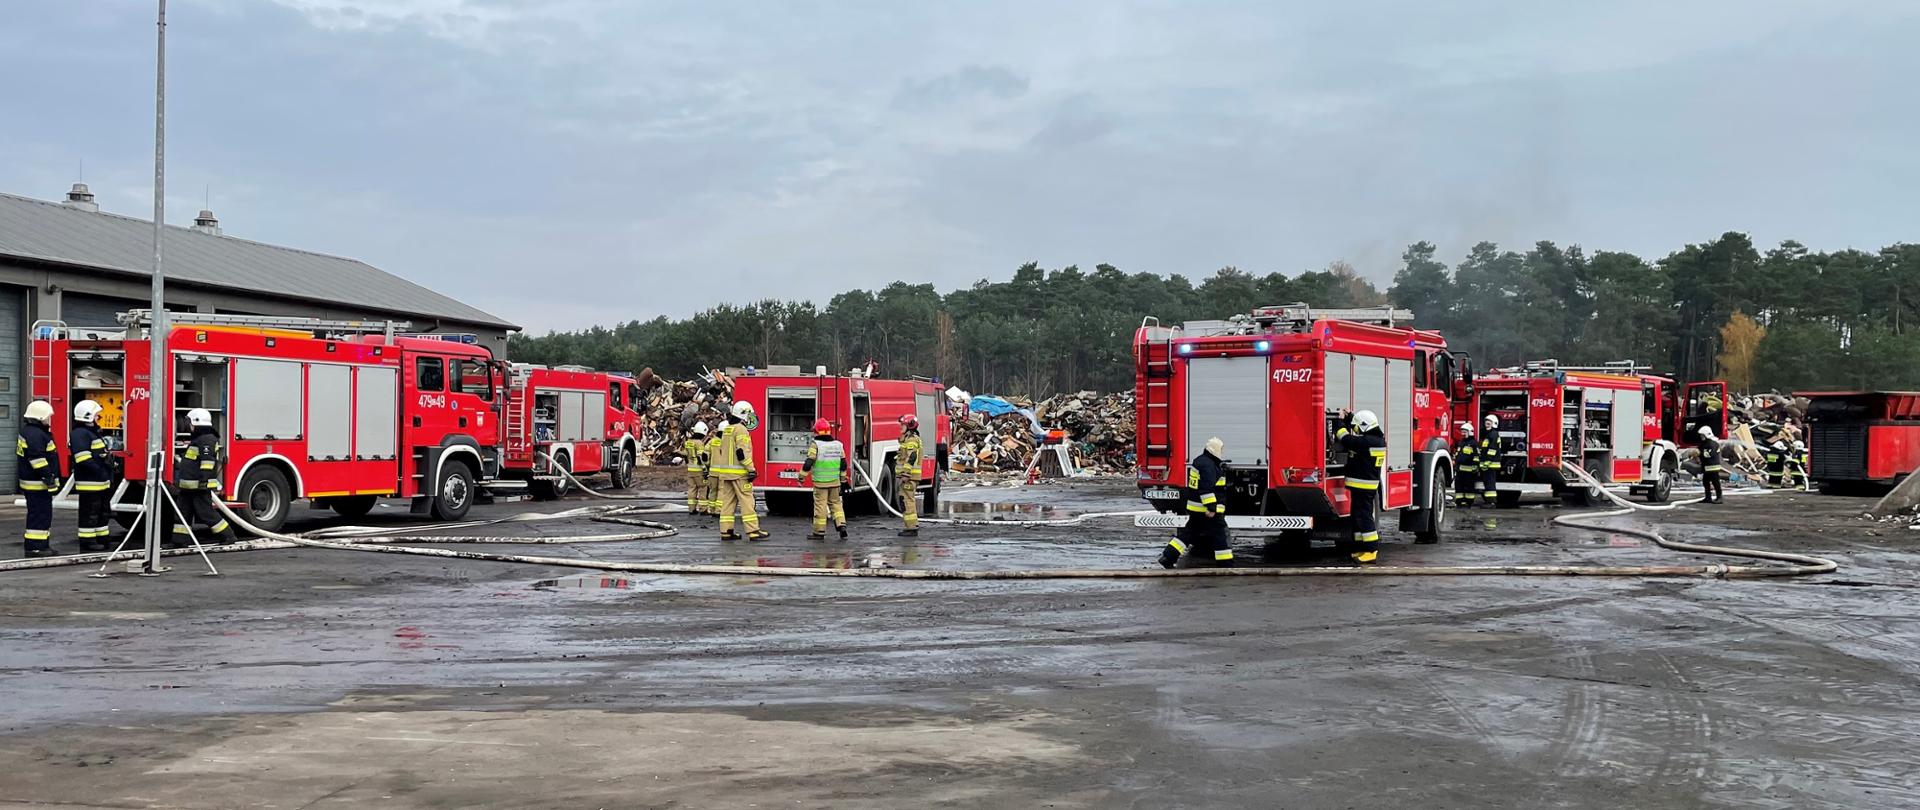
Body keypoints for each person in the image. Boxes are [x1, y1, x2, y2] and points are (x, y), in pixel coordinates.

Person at [1159, 437, 1231, 568]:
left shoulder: (1200, 461)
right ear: (1215, 449)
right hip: (1205, 510)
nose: (1222, 451)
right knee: (1220, 535)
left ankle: (1168, 557)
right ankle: (1225, 564)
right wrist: (1211, 508)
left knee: (1188, 534)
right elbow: (1206, 489)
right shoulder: (1208, 465)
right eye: (1220, 449)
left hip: (1195, 508)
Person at [173, 407, 238, 547]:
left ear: (196, 422)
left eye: (189, 422)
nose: (188, 425)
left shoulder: (206, 439)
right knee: (182, 513)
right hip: (188, 487)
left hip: (199, 486)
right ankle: (180, 540)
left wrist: (204, 480)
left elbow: (207, 462)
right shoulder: (199, 439)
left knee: (205, 513)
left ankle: (227, 536)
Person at [1336, 409, 1388, 563]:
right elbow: (1358, 432)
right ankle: (1360, 547)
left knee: (1364, 517)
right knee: (1358, 517)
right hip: (1365, 486)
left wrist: (1339, 421)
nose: (1356, 430)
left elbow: (1344, 438)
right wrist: (1352, 417)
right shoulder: (1376, 440)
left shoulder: (1366, 442)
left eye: (1358, 427)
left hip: (1363, 487)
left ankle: (1371, 550)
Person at [712, 401, 768, 541]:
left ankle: (726, 531)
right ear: (745, 414)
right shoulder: (741, 430)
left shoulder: (727, 429)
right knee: (747, 501)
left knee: (728, 503)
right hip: (739, 474)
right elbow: (742, 452)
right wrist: (751, 469)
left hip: (726, 474)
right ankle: (753, 531)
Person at [70, 400, 115, 552]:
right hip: (90, 482)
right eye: (96, 415)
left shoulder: (91, 432)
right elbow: (83, 459)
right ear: (88, 416)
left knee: (102, 512)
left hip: (100, 482)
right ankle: (88, 541)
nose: (98, 418)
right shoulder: (80, 434)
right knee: (89, 513)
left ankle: (101, 537)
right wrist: (100, 469)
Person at [17, 399, 60, 558]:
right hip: (37, 484)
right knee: (40, 515)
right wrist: (48, 478)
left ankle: (40, 545)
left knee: (39, 514)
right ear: (40, 417)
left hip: (33, 483)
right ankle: (36, 547)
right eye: (47, 417)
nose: (48, 419)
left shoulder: (29, 431)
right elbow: (37, 459)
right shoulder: (36, 434)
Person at [802, 418, 849, 541]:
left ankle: (819, 531)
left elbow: (809, 462)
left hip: (820, 483)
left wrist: (801, 477)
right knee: (836, 504)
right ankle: (841, 525)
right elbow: (843, 464)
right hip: (835, 482)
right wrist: (843, 480)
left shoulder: (815, 445)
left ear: (816, 431)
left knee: (820, 506)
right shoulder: (838, 445)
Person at [896, 415, 924, 537]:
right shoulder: (908, 439)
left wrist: (906, 474)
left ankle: (911, 528)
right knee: (906, 500)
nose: (901, 427)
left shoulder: (912, 440)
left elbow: (911, 457)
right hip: (910, 476)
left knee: (908, 501)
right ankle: (910, 526)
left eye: (903, 425)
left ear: (909, 426)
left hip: (910, 476)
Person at [683, 421, 709, 514]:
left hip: (690, 469)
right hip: (698, 470)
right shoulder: (699, 443)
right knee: (703, 489)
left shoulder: (688, 442)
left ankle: (691, 509)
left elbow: (685, 455)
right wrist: (704, 469)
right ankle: (703, 509)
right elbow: (700, 457)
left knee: (692, 489)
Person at [1452, 422, 1479, 508]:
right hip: (1460, 470)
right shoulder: (1461, 442)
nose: (1463, 434)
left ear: (1470, 432)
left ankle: (1469, 502)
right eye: (1462, 432)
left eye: (1465, 432)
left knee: (1469, 488)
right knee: (1459, 487)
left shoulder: (1473, 443)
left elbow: (1476, 456)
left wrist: (1475, 467)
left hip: (1469, 471)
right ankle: (1459, 501)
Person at [1697, 425, 1724, 504]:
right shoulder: (1704, 443)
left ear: (1706, 434)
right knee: (1705, 482)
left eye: (1702, 435)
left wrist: (1699, 453)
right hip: (1707, 467)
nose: (1701, 437)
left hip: (1713, 467)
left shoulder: (1712, 444)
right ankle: (1708, 497)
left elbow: (1708, 454)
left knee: (1715, 482)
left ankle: (1719, 497)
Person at [703, 416, 724, 517]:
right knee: (721, 492)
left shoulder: (712, 442)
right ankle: (718, 511)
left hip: (712, 472)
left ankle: (711, 509)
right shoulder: (727, 442)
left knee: (713, 491)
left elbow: (705, 455)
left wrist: (707, 466)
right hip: (723, 472)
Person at [1478, 414, 1500, 507]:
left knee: (1490, 484)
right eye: (1486, 423)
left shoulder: (1493, 434)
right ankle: (1489, 501)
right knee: (1487, 484)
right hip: (1488, 464)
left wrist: (1487, 462)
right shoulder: (1489, 435)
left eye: (1489, 423)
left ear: (1494, 424)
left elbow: (1492, 450)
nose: (1487, 424)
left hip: (1491, 464)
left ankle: (1491, 502)